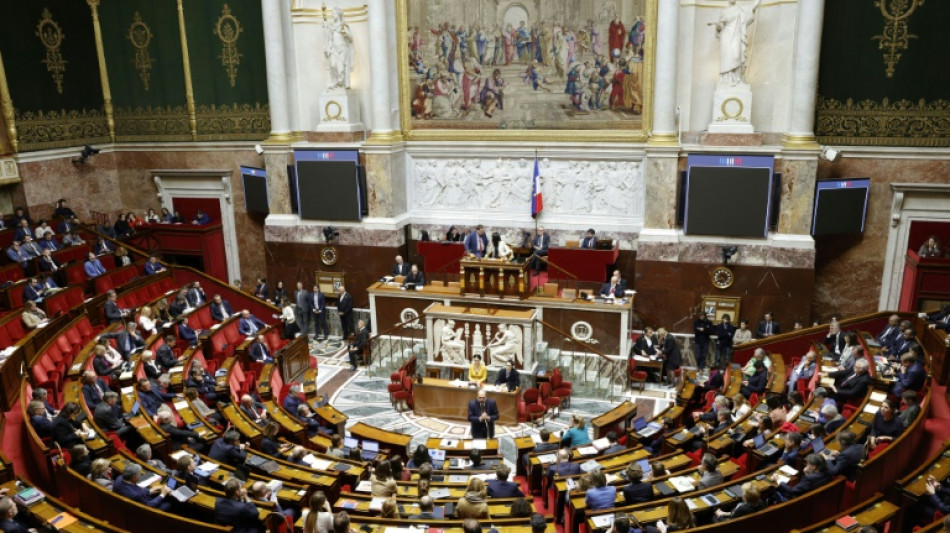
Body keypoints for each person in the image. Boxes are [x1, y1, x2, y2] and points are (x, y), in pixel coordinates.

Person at [712, 0, 761, 86]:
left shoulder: (740, 9)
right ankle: (726, 80)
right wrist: (718, 27)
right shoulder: (724, 11)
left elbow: (751, 9)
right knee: (726, 58)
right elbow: (719, 28)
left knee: (736, 55)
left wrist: (757, 3)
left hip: (736, 36)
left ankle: (737, 79)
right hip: (726, 37)